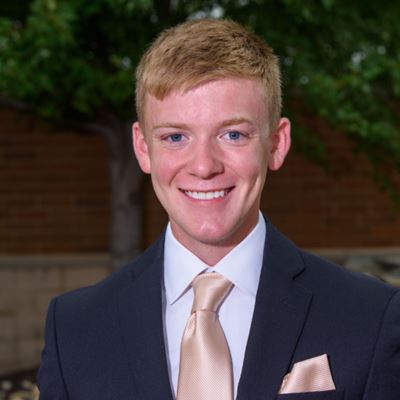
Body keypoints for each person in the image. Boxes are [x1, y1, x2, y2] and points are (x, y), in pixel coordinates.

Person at [37, 19, 400, 400]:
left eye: (233, 134)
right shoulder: (74, 329)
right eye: (175, 137)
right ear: (143, 148)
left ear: (277, 144)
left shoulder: (370, 317)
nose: (204, 166)